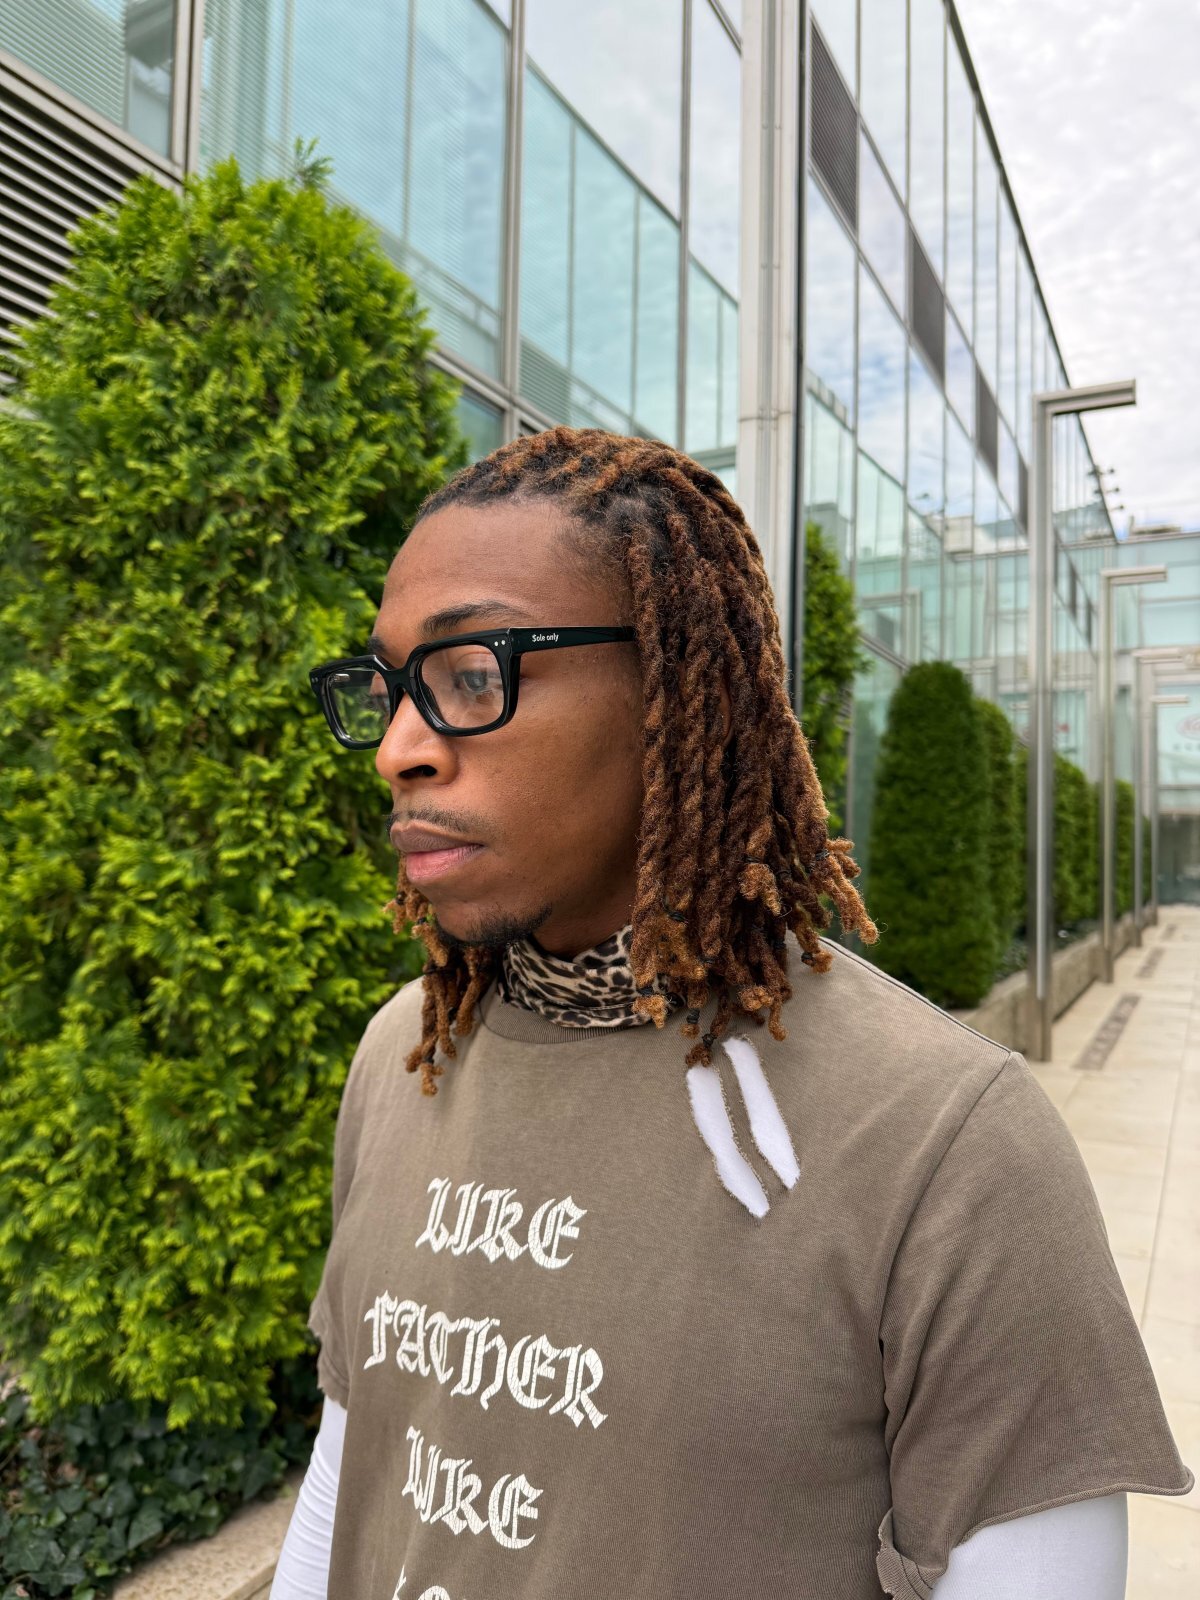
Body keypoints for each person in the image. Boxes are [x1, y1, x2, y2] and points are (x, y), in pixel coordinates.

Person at [274, 428, 1191, 1600]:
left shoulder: (947, 1144)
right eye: (391, 687)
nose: (400, 748)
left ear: (673, 689)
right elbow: (355, 1459)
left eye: (471, 675)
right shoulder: (404, 1054)